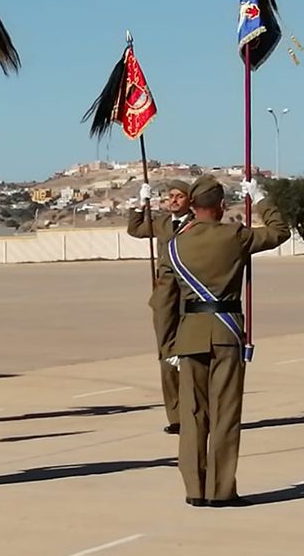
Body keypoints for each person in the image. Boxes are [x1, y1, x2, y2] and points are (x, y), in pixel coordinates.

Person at [169, 175, 287, 507]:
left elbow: (166, 296)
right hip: (225, 332)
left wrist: (167, 345)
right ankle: (220, 490)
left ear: (193, 205)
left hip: (190, 333)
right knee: (225, 413)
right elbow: (280, 231)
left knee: (193, 415)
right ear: (221, 206)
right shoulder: (235, 235)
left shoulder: (176, 242)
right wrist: (261, 199)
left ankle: (195, 488)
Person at [126, 179, 193, 434]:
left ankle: (194, 412)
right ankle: (176, 416)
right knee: (166, 358)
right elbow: (135, 229)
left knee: (190, 358)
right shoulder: (163, 224)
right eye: (170, 196)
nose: (173, 200)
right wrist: (140, 203)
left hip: (190, 294)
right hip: (165, 297)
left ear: (190, 200)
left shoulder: (196, 225)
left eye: (179, 196)